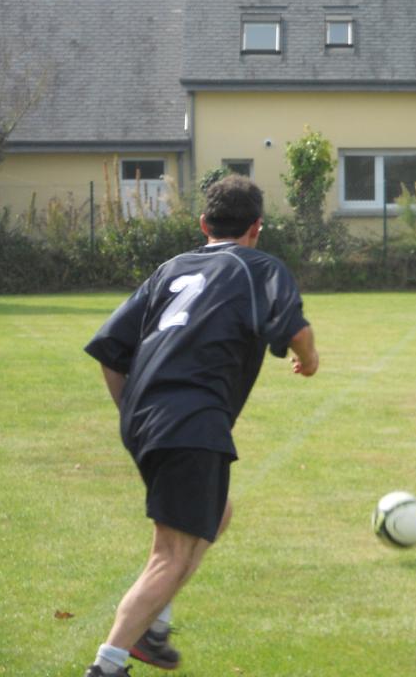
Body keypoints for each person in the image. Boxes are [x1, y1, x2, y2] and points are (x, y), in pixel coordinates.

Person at [81, 175, 318, 677]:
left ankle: (155, 625)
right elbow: (296, 330)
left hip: (147, 418)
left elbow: (109, 352)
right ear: (257, 227)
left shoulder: (171, 268)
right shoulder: (259, 266)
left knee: (216, 513)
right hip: (193, 421)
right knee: (171, 553)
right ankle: (110, 662)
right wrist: (310, 361)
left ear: (204, 224)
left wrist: (133, 416)